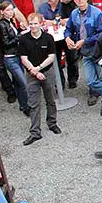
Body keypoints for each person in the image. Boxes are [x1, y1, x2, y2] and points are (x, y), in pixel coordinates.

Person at [18, 13, 60, 145]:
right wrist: (35, 72)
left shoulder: (48, 38)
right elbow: (23, 58)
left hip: (47, 72)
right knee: (33, 103)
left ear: (41, 24)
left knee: (50, 100)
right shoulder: (23, 39)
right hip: (32, 75)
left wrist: (39, 68)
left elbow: (51, 57)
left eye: (35, 23)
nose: (33, 26)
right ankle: (35, 132)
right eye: (31, 24)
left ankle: (52, 123)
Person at [64, 0, 102, 106]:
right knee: (90, 80)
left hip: (98, 50)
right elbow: (68, 29)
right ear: (74, 0)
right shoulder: (74, 14)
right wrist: (67, 38)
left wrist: (84, 41)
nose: (80, 0)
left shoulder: (97, 13)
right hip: (85, 52)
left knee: (101, 76)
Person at [40, 0, 79, 90]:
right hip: (52, 38)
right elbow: (41, 20)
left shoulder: (64, 5)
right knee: (56, 61)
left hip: (66, 36)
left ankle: (72, 80)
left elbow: (71, 19)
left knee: (72, 59)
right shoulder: (43, 7)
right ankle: (60, 83)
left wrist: (56, 21)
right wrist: (55, 21)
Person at [0, 2, 29, 115]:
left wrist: (20, 30)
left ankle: (23, 105)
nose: (11, 12)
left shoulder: (11, 22)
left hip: (17, 55)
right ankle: (26, 106)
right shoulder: (1, 25)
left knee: (18, 82)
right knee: (23, 83)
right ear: (2, 12)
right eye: (8, 10)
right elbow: (6, 43)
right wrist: (20, 35)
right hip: (10, 57)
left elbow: (13, 36)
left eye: (11, 9)